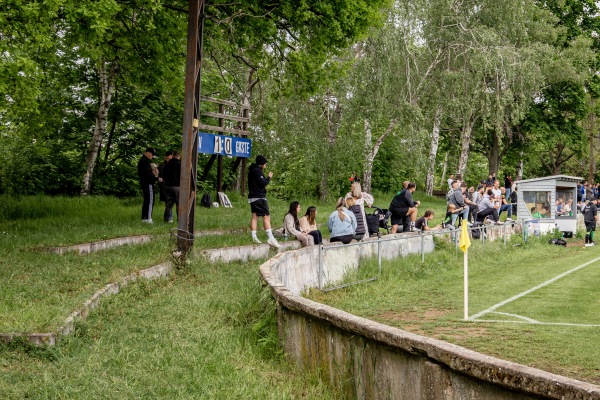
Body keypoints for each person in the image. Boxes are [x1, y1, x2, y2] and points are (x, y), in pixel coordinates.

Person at [248, 155, 280, 248]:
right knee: (266, 217)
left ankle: (254, 237)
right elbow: (263, 183)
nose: (266, 165)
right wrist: (269, 177)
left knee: (254, 217)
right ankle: (271, 238)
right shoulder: (258, 171)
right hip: (259, 198)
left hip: (252, 197)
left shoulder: (251, 170)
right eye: (265, 163)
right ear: (261, 163)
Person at [137, 147, 162, 223]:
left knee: (147, 200)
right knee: (150, 200)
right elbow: (147, 174)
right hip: (148, 183)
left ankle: (145, 218)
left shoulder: (143, 160)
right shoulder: (145, 161)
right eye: (152, 154)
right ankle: (148, 218)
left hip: (145, 183)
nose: (152, 156)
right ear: (148, 153)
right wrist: (156, 178)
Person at [162, 151, 181, 223]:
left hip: (168, 186)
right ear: (179, 156)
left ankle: (168, 219)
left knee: (168, 204)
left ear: (172, 155)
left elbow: (163, 175)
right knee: (179, 204)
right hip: (177, 186)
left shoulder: (167, 164)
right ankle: (180, 219)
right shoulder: (180, 164)